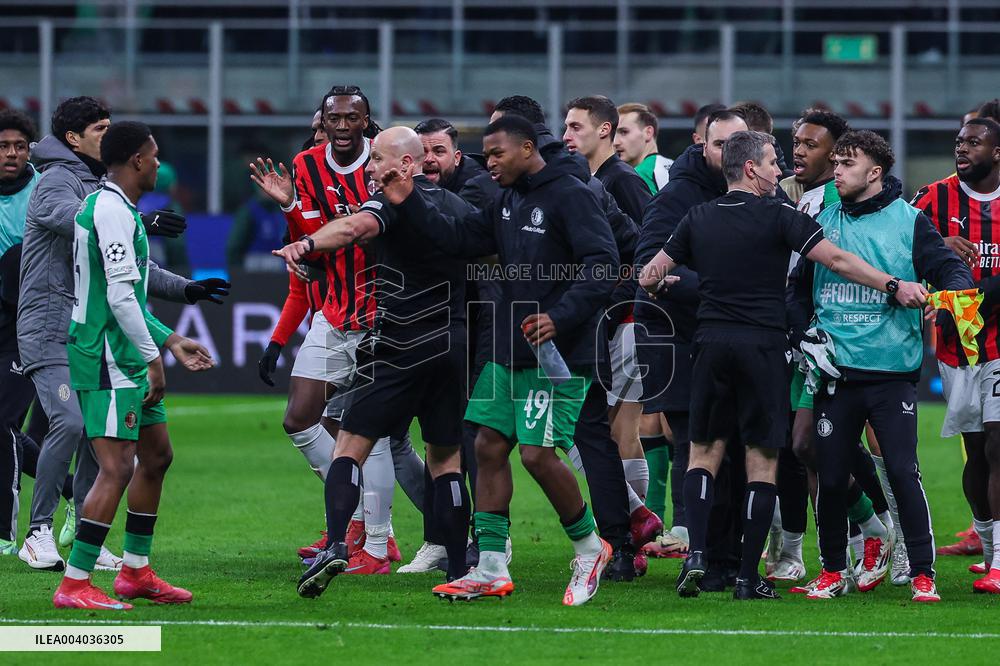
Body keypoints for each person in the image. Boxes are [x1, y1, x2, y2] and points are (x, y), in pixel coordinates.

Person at [639, 129, 927, 600]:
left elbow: (650, 274)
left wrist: (671, 286)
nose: (780, 170)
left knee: (703, 455)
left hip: (710, 345)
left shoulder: (698, 217)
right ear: (751, 168)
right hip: (763, 348)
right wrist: (892, 285)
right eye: (772, 162)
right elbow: (835, 259)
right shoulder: (780, 216)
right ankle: (749, 578)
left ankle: (696, 558)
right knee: (762, 462)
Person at [381, 115, 620, 605]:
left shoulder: (571, 194)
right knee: (487, 445)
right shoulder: (506, 199)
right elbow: (460, 240)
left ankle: (590, 547)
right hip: (508, 347)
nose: (486, 163)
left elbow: (604, 264)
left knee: (536, 454)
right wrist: (406, 203)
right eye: (484, 155)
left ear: (527, 148)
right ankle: (489, 566)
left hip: (558, 353)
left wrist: (560, 315)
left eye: (495, 154)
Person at [17, 97, 223, 573]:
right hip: (50, 327)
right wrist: (139, 220)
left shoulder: (102, 189)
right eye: (100, 128)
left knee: (101, 434)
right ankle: (38, 531)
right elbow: (82, 226)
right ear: (74, 138)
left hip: (94, 334)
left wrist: (186, 288)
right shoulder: (54, 182)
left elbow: (127, 269)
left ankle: (86, 526)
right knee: (70, 423)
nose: (107, 135)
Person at [274, 126, 475, 594]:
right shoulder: (460, 208)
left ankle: (337, 547)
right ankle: (459, 567)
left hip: (401, 344)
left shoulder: (392, 203)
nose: (369, 168)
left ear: (407, 164)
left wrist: (306, 244)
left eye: (378, 159)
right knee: (445, 460)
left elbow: (353, 227)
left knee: (350, 445)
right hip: (453, 345)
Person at [787, 130, 974, 602]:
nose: (837, 171)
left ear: (874, 173)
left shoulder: (910, 222)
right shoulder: (822, 221)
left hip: (891, 373)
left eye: (847, 164)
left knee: (902, 470)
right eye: (837, 163)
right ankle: (833, 570)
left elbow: (950, 270)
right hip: (836, 372)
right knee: (830, 478)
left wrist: (946, 299)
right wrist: (802, 334)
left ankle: (922, 573)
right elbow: (795, 293)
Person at [250, 86, 414, 569]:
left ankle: (378, 545)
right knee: (299, 418)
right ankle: (357, 512)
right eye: (334, 117)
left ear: (367, 121)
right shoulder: (305, 165)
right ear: (323, 119)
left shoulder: (382, 165)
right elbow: (310, 243)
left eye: (351, 118)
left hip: (384, 312)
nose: (342, 126)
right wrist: (288, 208)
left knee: (374, 432)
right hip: (335, 310)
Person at [634, 110, 747, 571]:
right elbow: (651, 269)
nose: (730, 154)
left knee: (731, 446)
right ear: (703, 145)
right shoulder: (677, 196)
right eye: (722, 145)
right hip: (675, 337)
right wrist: (729, 293)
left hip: (721, 335)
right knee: (695, 442)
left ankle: (716, 551)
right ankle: (696, 548)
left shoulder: (756, 191)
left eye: (739, 145)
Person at [911, 117, 1000, 593]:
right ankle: (987, 545)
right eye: (958, 142)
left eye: (973, 142)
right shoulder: (932, 198)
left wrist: (977, 294)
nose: (961, 149)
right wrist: (935, 245)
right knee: (977, 453)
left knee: (997, 442)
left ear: (998, 151)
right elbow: (894, 244)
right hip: (957, 346)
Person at [0, 109, 42, 555]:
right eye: (3, 146)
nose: (12, 154)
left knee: (3, 420)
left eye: (19, 146)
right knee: (3, 426)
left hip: (28, 321)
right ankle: (70, 489)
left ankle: (6, 533)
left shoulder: (41, 189)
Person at [563, 95, 651, 224]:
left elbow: (650, 235)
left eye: (576, 128)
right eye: (567, 127)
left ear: (604, 130)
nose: (566, 136)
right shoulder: (579, 177)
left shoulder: (624, 179)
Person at [414, 117, 487, 192]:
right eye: (422, 152)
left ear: (456, 158)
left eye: (439, 152)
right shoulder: (404, 180)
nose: (429, 159)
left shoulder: (477, 187)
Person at [614, 102, 673, 194]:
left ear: (648, 132)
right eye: (614, 135)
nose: (615, 142)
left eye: (624, 132)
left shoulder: (639, 174)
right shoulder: (673, 165)